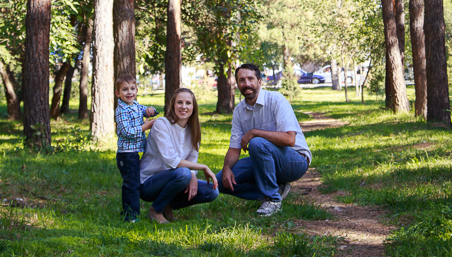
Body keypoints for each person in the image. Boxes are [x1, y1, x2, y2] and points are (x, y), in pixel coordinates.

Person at [216, 63, 311, 217]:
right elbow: (234, 148)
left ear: (259, 81)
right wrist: (226, 168)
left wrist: (254, 132)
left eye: (250, 79)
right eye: (241, 80)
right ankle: (276, 188)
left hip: (295, 160)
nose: (246, 84)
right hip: (264, 159)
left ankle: (272, 199)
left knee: (257, 142)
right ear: (237, 84)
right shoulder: (239, 110)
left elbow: (290, 139)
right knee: (220, 182)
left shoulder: (276, 100)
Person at [139, 87, 219, 224]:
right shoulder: (161, 124)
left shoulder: (193, 131)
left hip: (177, 179)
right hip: (149, 183)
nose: (184, 107)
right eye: (179, 102)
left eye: (188, 103)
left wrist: (193, 175)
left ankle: (166, 204)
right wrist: (202, 167)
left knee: (211, 191)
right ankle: (155, 210)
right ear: (173, 105)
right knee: (183, 174)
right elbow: (171, 161)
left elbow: (191, 160)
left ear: (193, 107)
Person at [115, 73, 158, 222]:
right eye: (125, 89)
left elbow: (145, 110)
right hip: (126, 155)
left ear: (137, 90)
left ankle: (129, 212)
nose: (129, 92)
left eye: (132, 88)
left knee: (132, 182)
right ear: (118, 93)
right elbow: (126, 132)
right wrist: (144, 127)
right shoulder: (121, 111)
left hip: (134, 153)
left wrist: (150, 110)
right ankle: (131, 216)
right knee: (131, 184)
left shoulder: (136, 105)